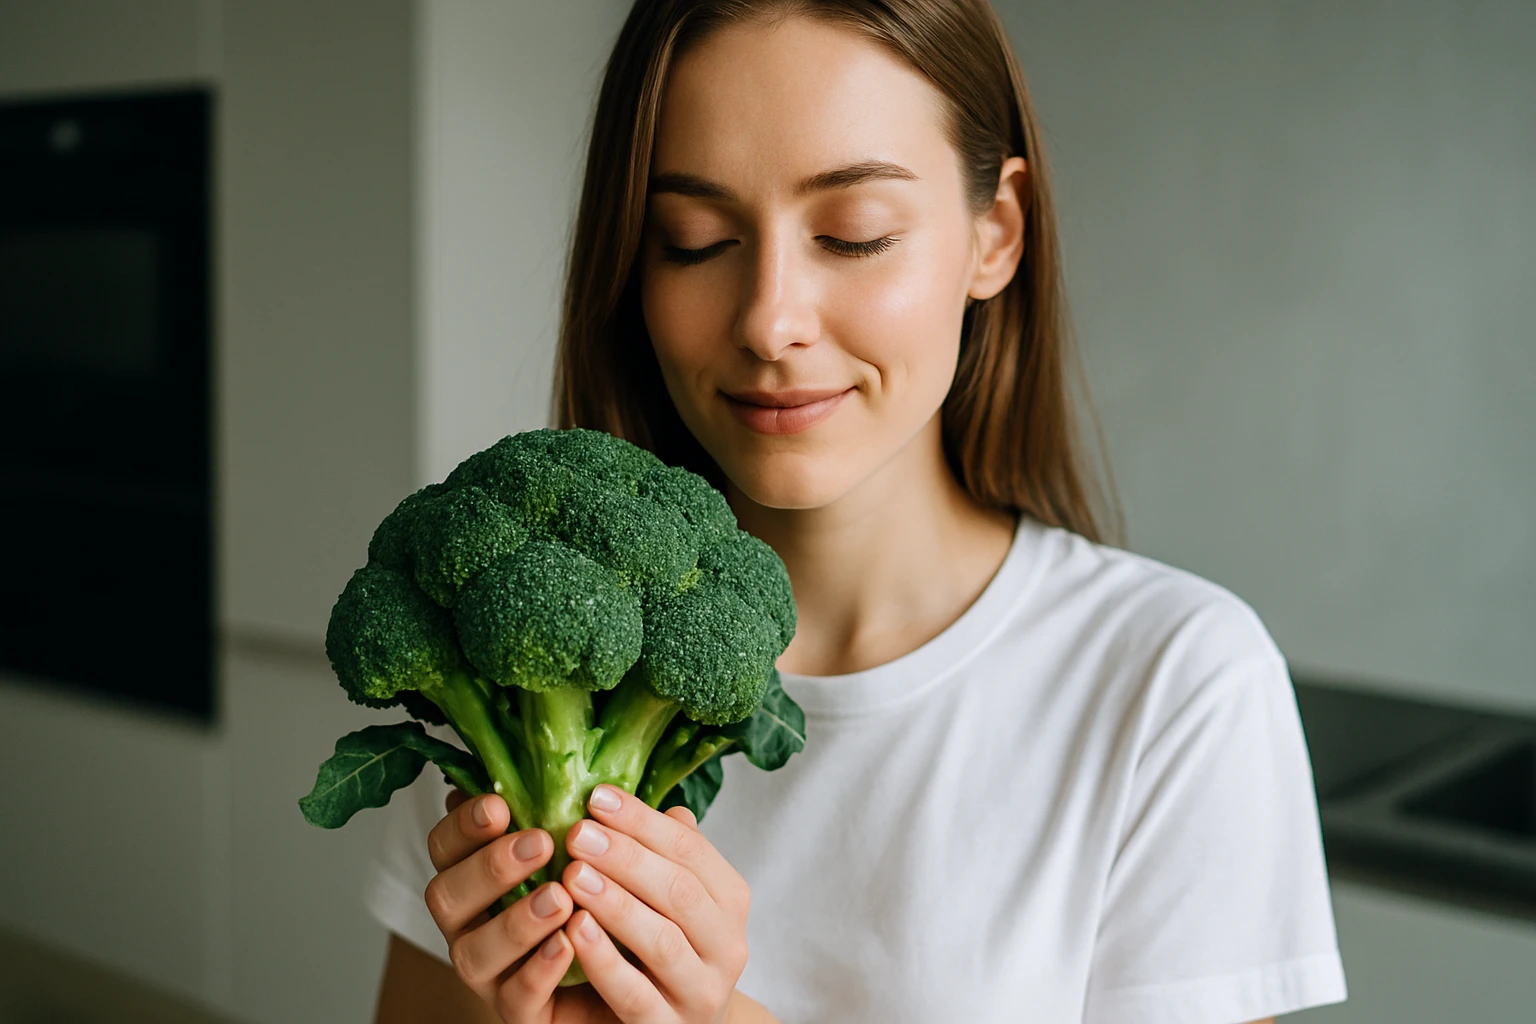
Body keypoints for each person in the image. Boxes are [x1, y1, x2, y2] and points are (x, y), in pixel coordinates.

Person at [367, 1, 1348, 1021]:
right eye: (695, 241)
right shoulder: (513, 670)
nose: (769, 319)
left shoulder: (1176, 684)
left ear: (994, 233)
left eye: (853, 235)